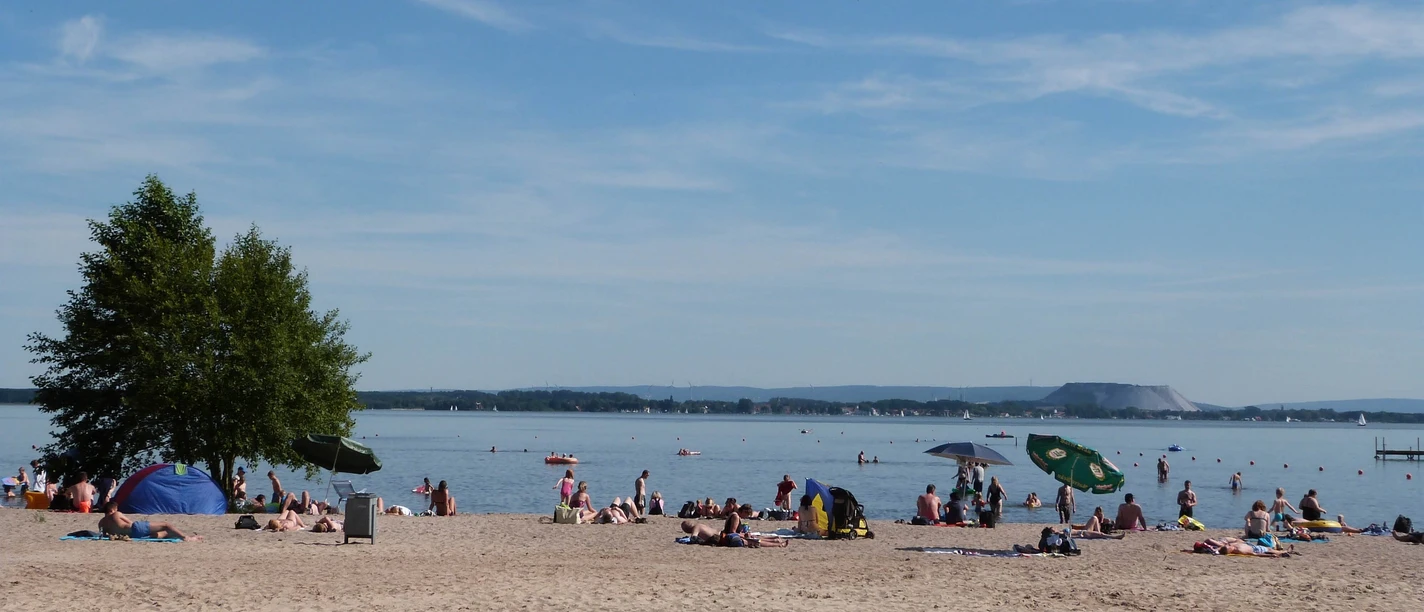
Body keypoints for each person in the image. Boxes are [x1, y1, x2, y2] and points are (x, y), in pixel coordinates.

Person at [98, 502, 202, 541]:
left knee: (163, 533)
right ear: (113, 510)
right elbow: (130, 522)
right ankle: (186, 538)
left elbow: (104, 535)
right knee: (166, 525)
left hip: (132, 536)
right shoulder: (116, 514)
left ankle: (173, 535)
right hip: (135, 528)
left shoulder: (101, 523)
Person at [1197, 537, 1292, 558]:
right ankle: (1284, 552)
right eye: (1228, 546)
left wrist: (1215, 550)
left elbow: (1219, 550)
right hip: (1256, 549)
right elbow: (1255, 554)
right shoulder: (1239, 550)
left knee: (1272, 549)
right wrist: (1269, 556)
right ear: (1230, 550)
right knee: (1271, 550)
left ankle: (1284, 552)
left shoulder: (1231, 546)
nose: (1228, 545)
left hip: (1251, 545)